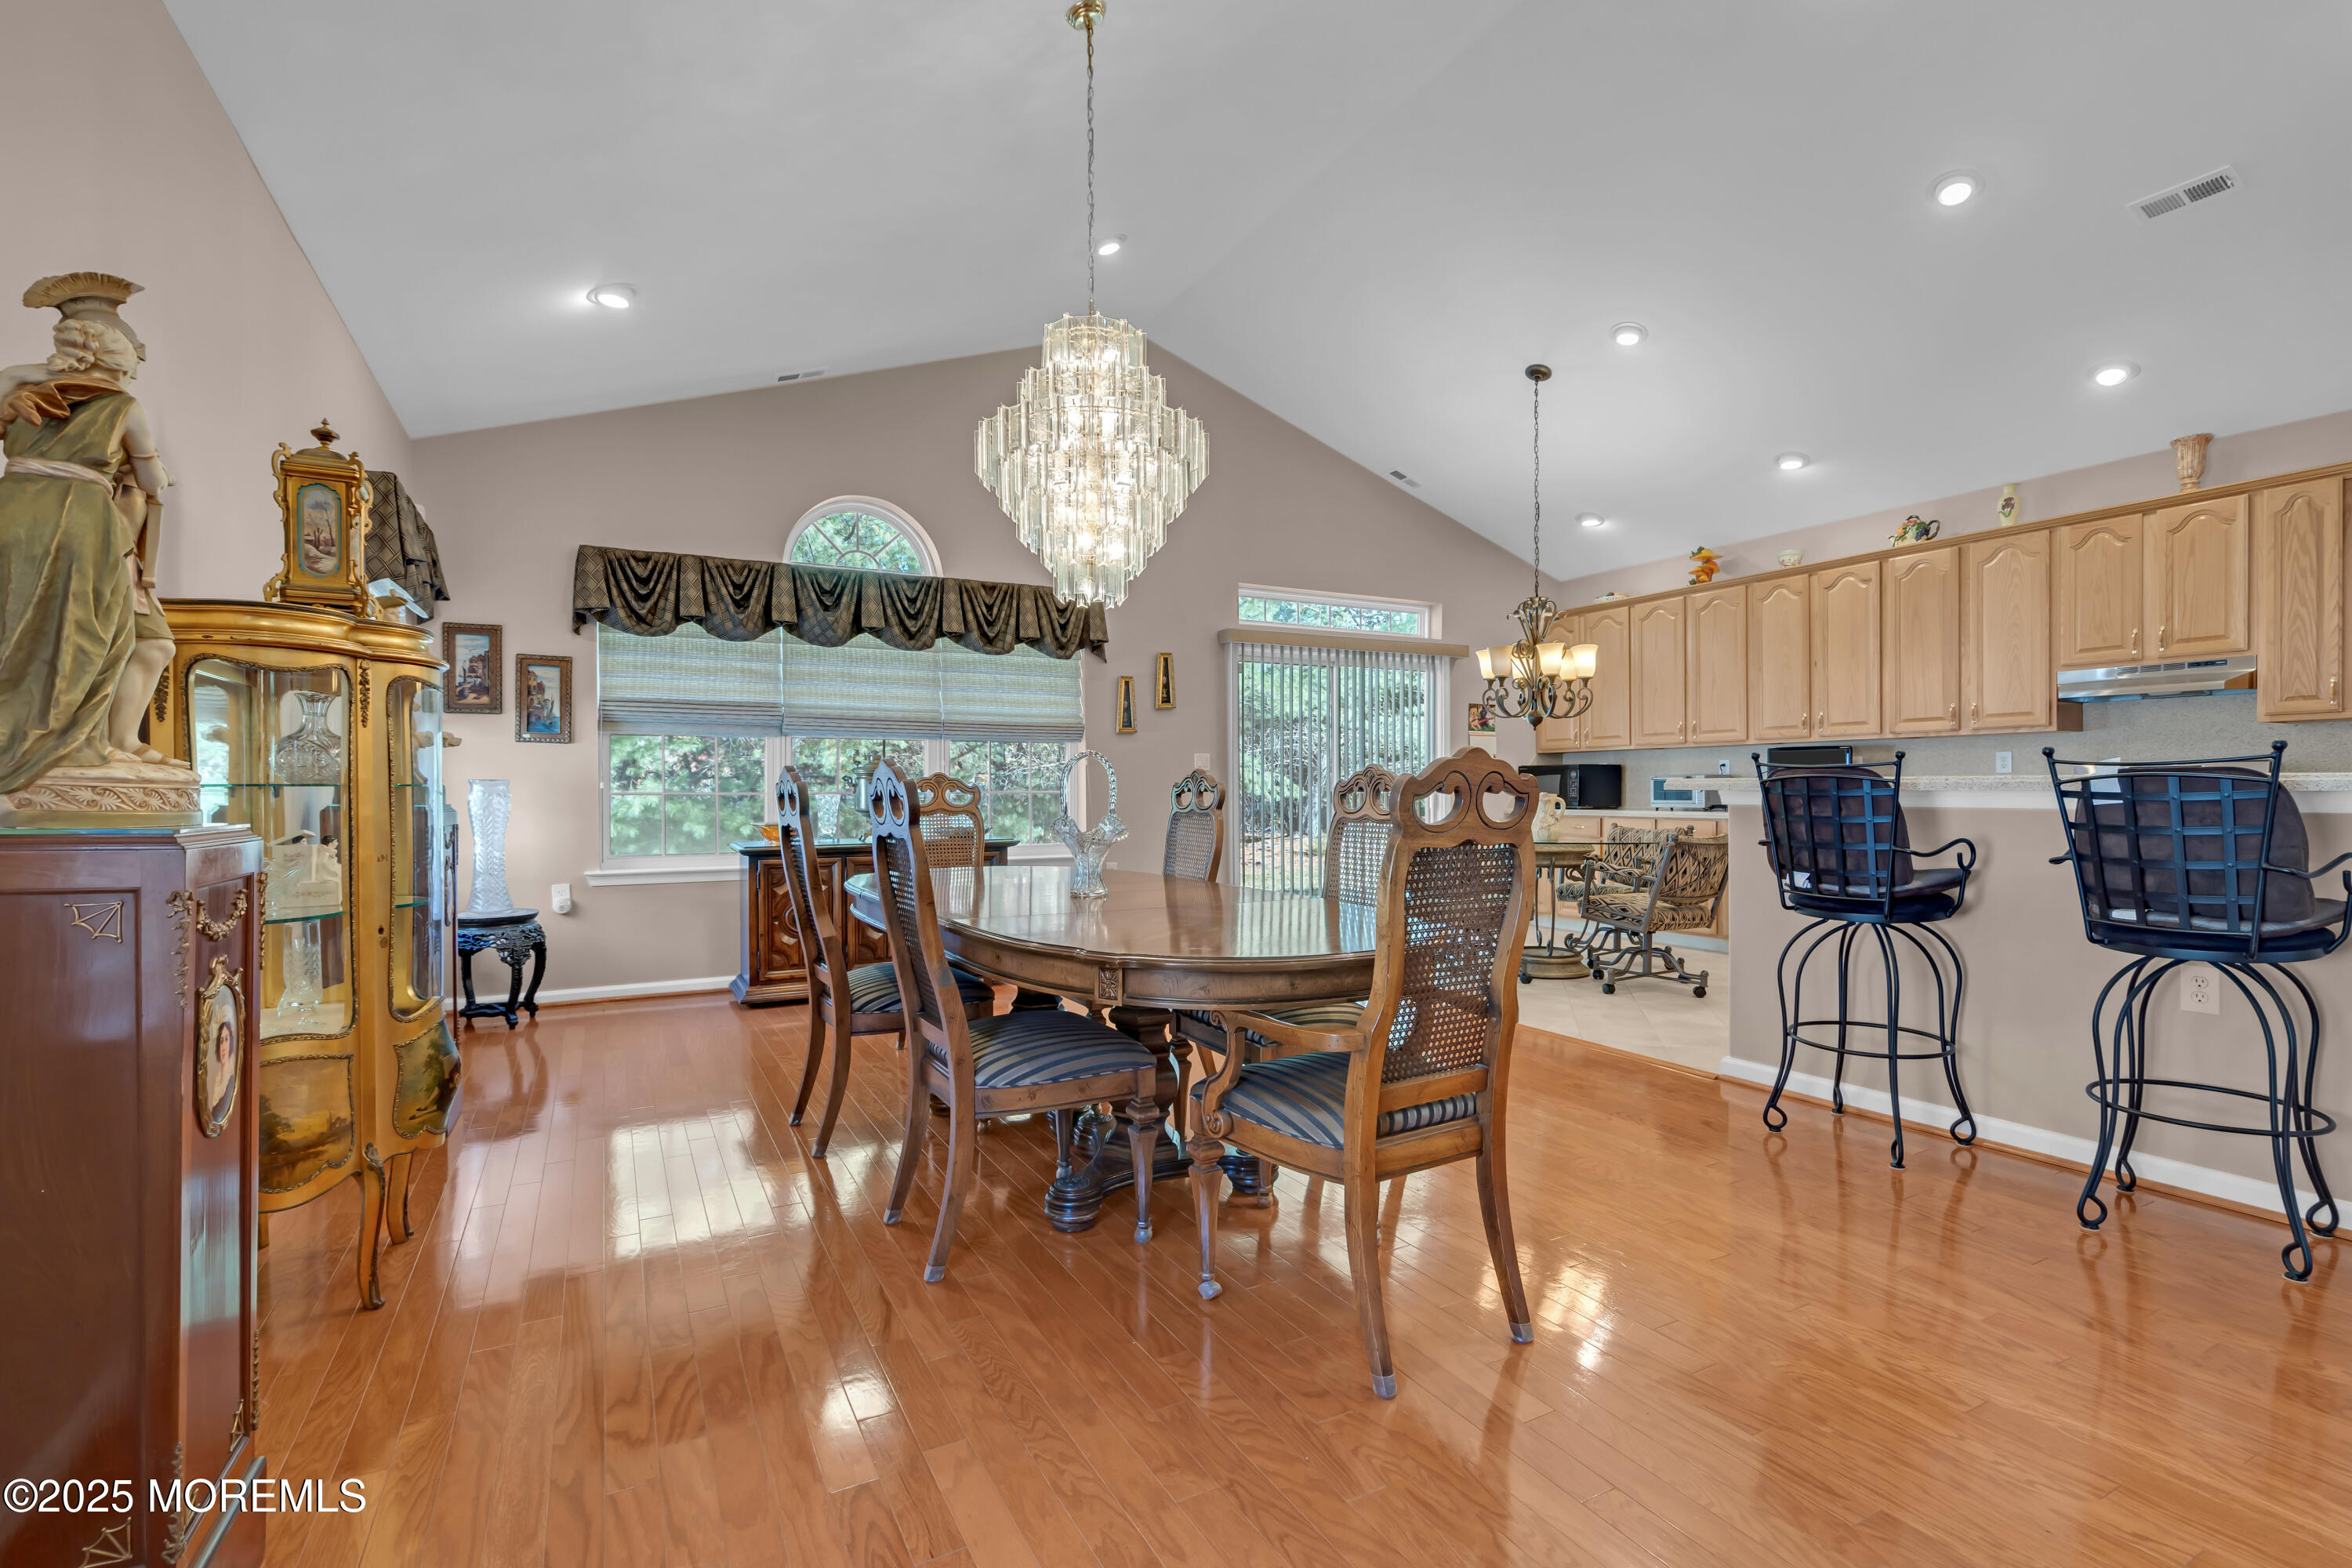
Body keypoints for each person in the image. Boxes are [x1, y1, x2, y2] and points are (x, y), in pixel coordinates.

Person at [0, 274, 173, 791]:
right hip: (84, 521)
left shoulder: (19, 390)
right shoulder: (123, 407)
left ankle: (83, 741)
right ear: (118, 354)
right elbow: (152, 479)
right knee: (88, 635)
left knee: (20, 631)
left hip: (15, 510)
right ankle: (69, 744)